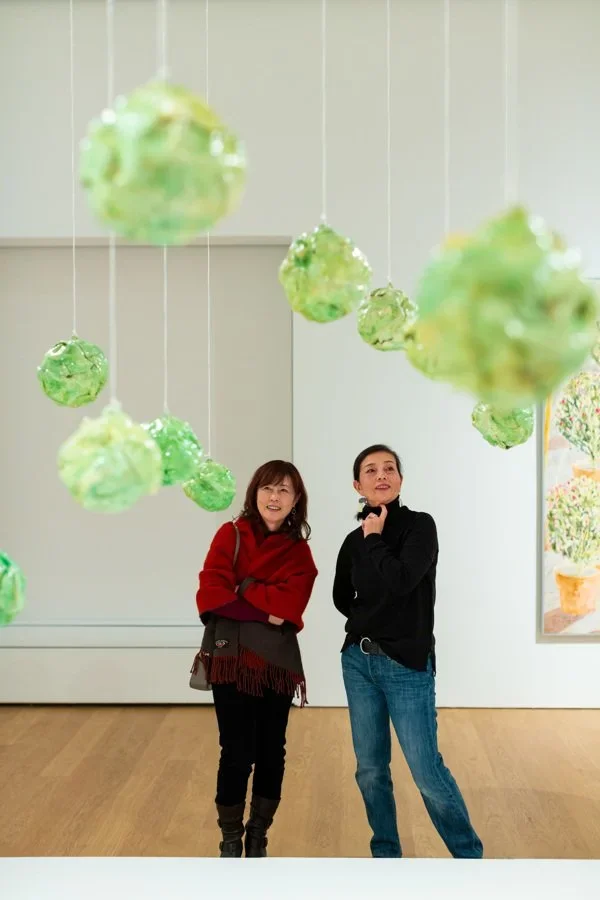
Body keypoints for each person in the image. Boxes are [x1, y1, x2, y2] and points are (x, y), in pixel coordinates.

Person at [333, 444, 483, 859]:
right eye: (370, 470)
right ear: (357, 485)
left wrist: (374, 540)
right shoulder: (352, 541)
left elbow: (402, 581)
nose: (381, 475)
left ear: (400, 479)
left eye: (389, 468)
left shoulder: (419, 527)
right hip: (359, 663)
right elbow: (342, 597)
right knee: (370, 770)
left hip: (406, 666)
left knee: (426, 770)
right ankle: (386, 855)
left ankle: (469, 859)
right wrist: (372, 618)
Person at [195, 460, 318, 858]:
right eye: (267, 488)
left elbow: (291, 605)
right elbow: (210, 594)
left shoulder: (299, 552)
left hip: (275, 664)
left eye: (284, 490)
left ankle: (258, 834)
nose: (274, 497)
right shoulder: (230, 534)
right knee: (235, 750)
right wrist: (266, 610)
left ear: (296, 500)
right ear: (254, 493)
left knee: (271, 750)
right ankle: (230, 838)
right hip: (231, 658)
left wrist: (243, 587)